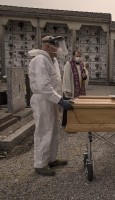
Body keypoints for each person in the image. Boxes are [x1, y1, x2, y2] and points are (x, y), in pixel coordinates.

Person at [28, 35, 72, 176]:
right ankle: (40, 164)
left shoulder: (51, 60)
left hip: (51, 100)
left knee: (53, 131)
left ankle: (51, 159)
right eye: (56, 46)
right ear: (47, 46)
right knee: (43, 131)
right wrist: (60, 100)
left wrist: (60, 97)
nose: (59, 49)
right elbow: (43, 86)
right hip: (43, 100)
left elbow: (54, 82)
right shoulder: (41, 60)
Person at [62, 50, 87, 127]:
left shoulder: (83, 64)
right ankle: (66, 123)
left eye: (79, 56)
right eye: (76, 56)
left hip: (80, 88)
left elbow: (86, 76)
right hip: (72, 89)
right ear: (73, 56)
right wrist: (67, 90)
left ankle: (77, 121)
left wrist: (85, 76)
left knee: (79, 105)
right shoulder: (68, 64)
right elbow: (66, 77)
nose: (78, 57)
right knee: (69, 105)